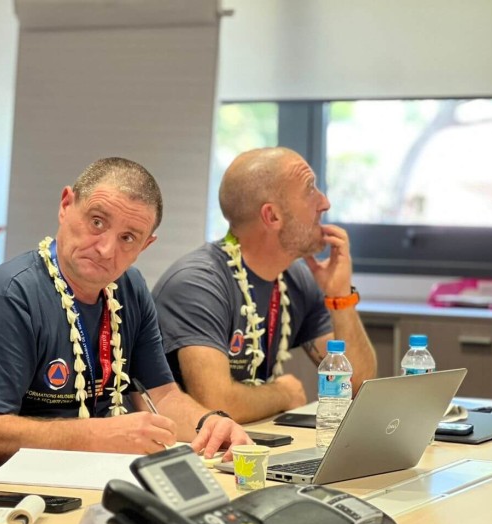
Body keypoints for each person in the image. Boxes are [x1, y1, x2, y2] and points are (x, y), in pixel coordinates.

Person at [0, 157, 251, 479]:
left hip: (83, 479)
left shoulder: (129, 288)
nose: (106, 249)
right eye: (97, 222)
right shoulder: (5, 298)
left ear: (145, 245)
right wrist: (99, 434)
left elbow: (162, 396)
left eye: (128, 238)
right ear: (66, 205)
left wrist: (209, 425)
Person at [153, 147, 377, 424]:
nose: (325, 202)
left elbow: (357, 385)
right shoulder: (197, 284)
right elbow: (216, 404)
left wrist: (340, 296)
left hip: (249, 439)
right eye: (310, 189)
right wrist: (283, 393)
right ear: (272, 216)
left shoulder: (295, 278)